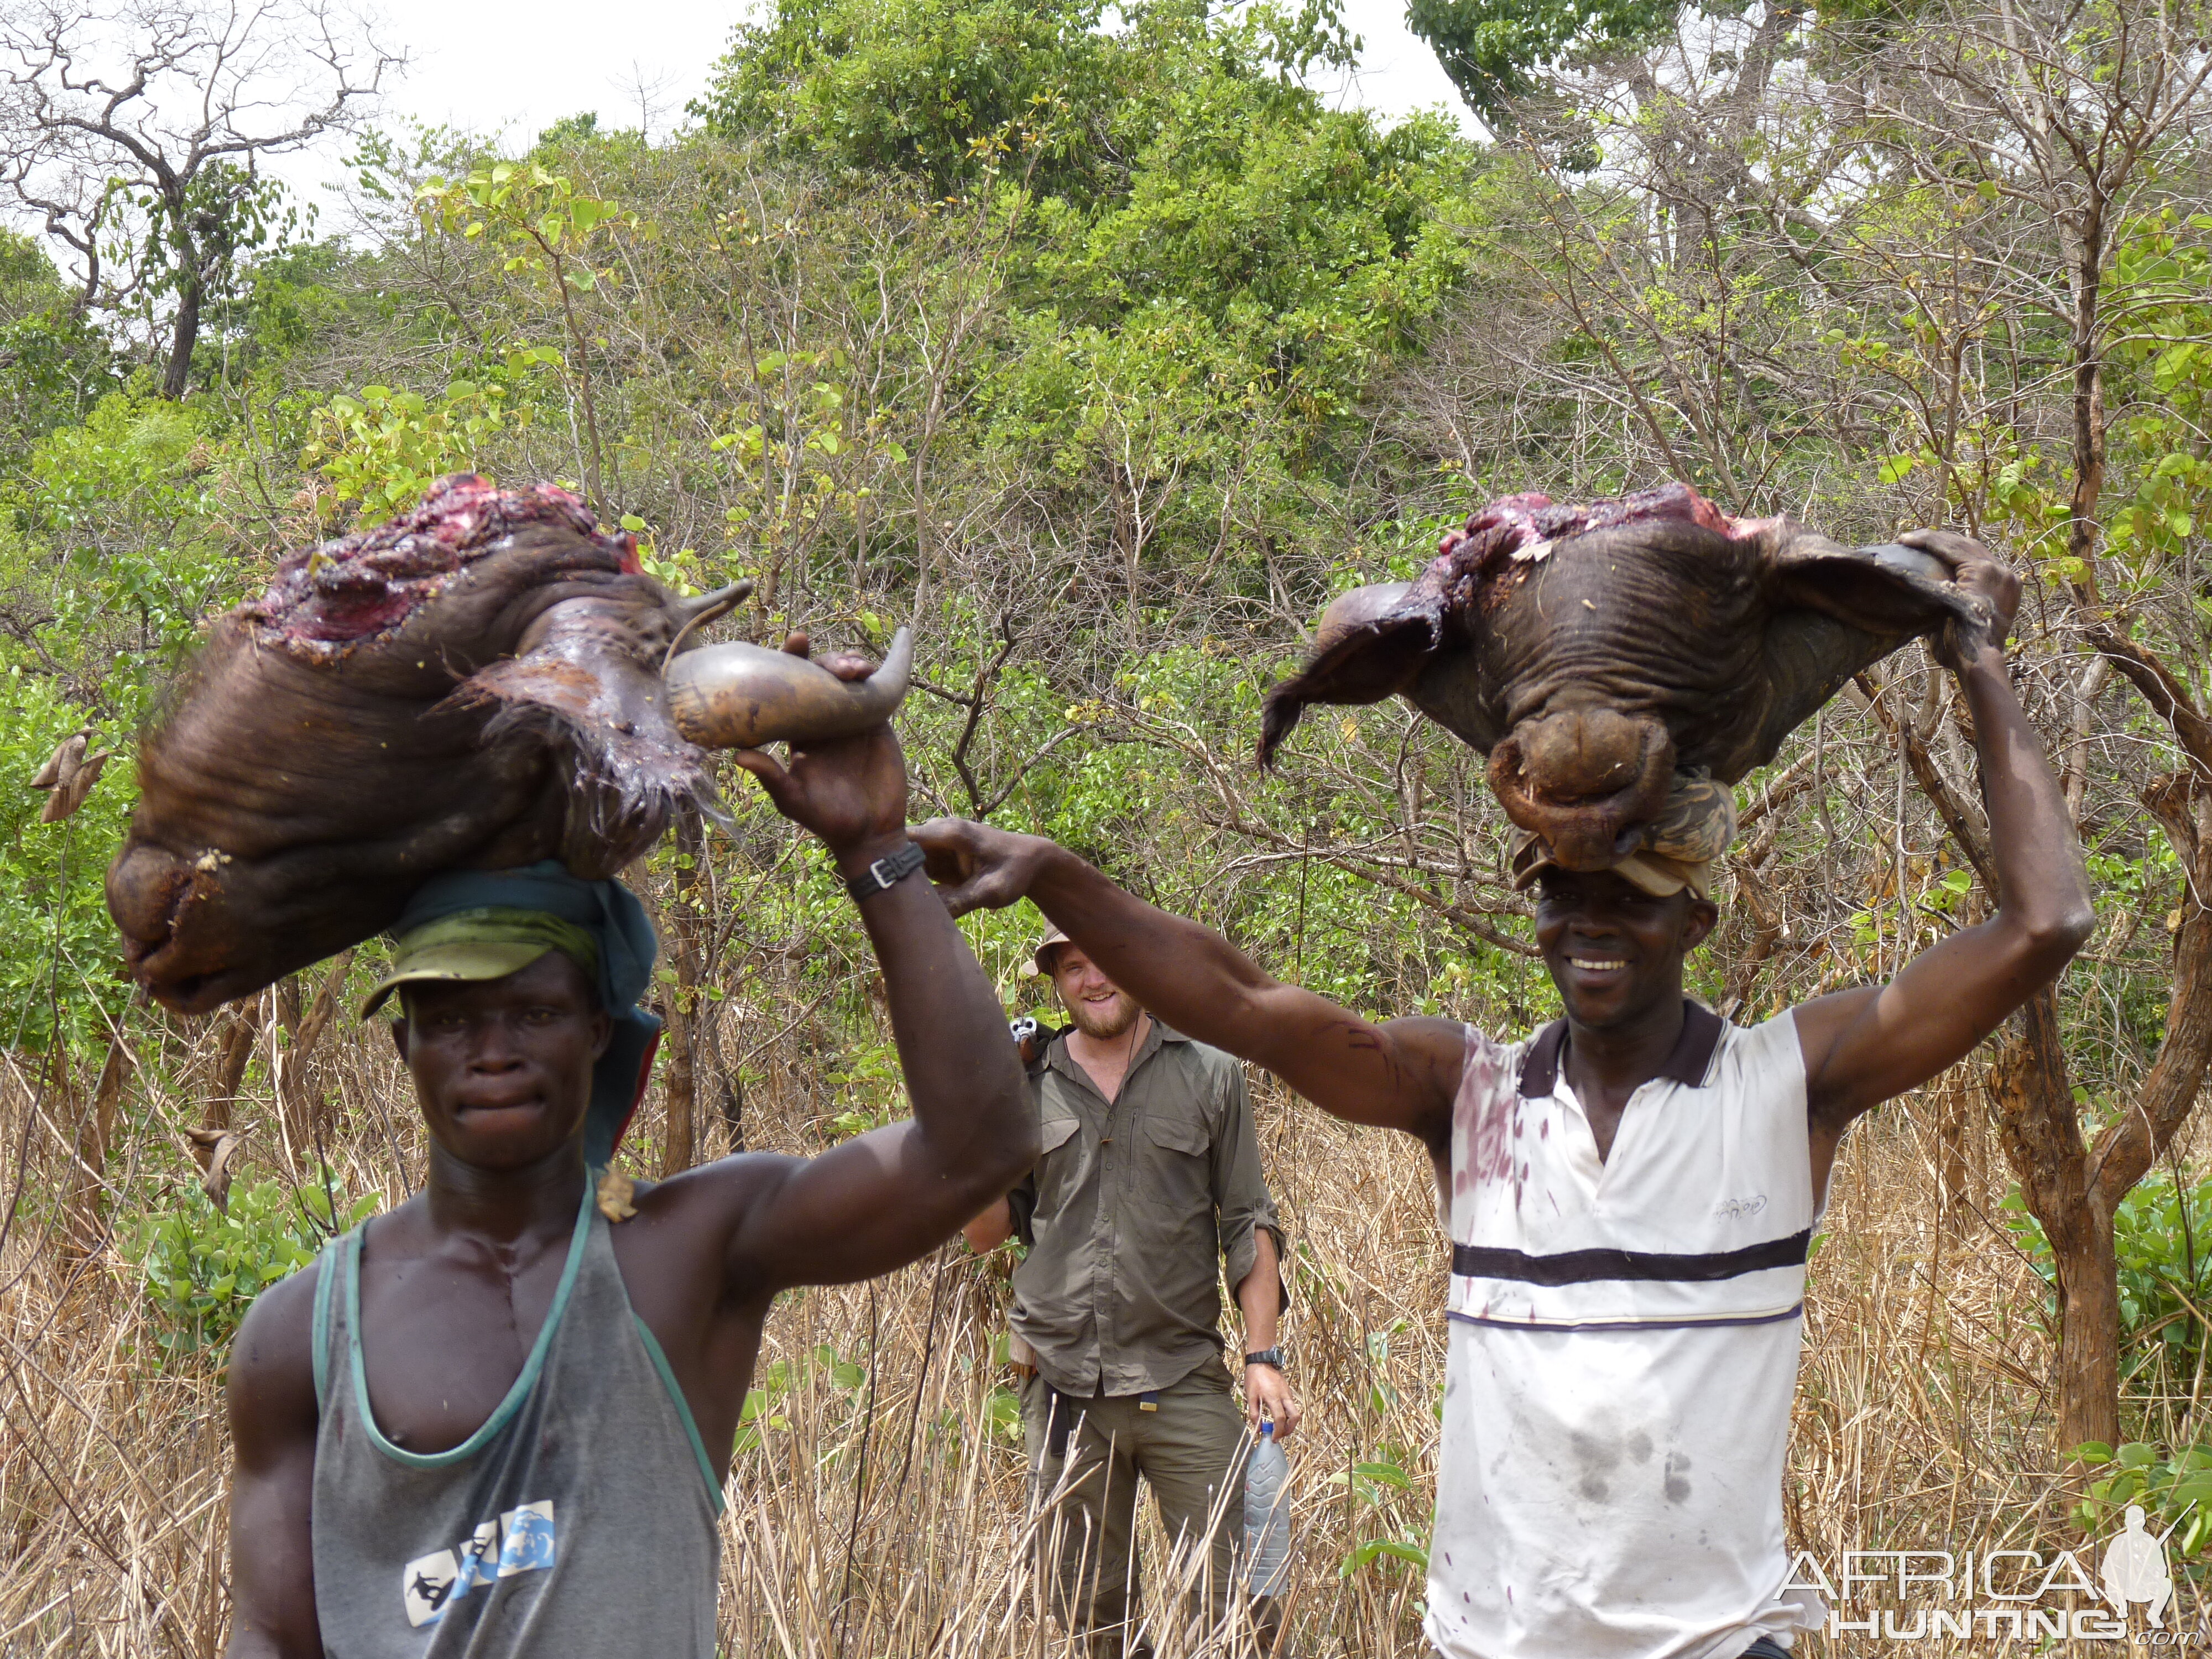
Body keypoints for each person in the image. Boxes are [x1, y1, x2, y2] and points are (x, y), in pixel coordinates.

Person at [915, 531, 2093, 1659]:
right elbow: (1245, 1003)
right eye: (1557, 894)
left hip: (1716, 1645)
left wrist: (1972, 653)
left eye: (1627, 895)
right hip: (1489, 1642)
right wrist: (1059, 880)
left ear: (1694, 916)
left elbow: (2041, 923)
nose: (1586, 923)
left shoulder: (1787, 1083)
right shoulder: (1462, 1090)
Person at [221, 645, 1036, 1658]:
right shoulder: (300, 1331)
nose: (493, 1054)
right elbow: (269, 1635)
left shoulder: (694, 1250)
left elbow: (980, 1147)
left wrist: (875, 847)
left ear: (598, 1028)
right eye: (451, 1021)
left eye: (533, 1012)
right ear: (405, 1045)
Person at [966, 925, 1296, 1658]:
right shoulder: (1027, 1083)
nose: (1093, 980)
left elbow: (1248, 1220)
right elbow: (985, 1232)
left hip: (1182, 1378)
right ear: (1055, 980)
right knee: (1090, 1611)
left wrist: (1262, 1357)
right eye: (1073, 967)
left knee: (1234, 1603)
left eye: (1107, 958)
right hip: (1063, 1388)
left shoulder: (1210, 1075)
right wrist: (971, 1125)